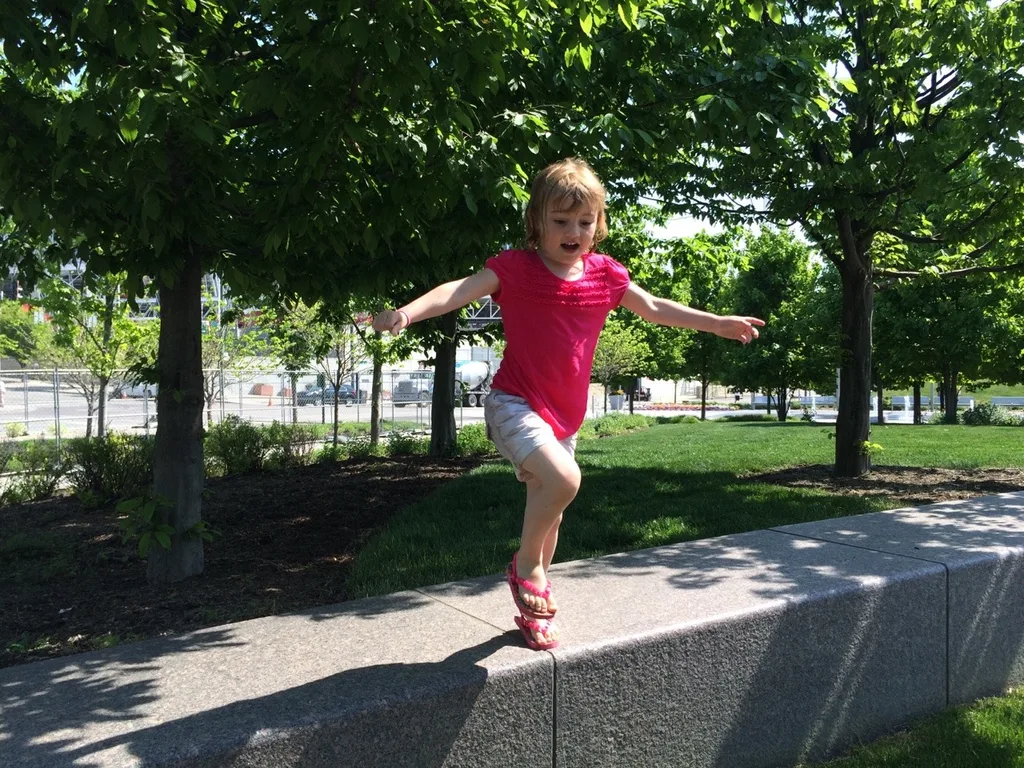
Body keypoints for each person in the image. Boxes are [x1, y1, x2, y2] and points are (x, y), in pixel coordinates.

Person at [372, 157, 764, 650]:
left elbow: (657, 308)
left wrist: (717, 322)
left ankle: (534, 594)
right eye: (560, 221)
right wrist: (407, 313)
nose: (573, 231)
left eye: (584, 221)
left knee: (550, 507)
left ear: (598, 224)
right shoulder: (514, 268)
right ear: (536, 222)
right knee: (564, 480)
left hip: (566, 417)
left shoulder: (606, 276)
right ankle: (525, 565)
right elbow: (459, 290)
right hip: (514, 403)